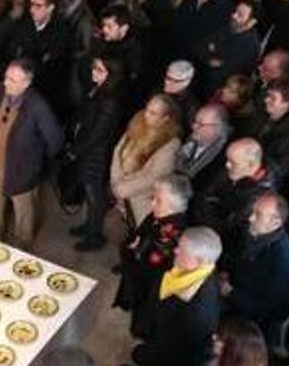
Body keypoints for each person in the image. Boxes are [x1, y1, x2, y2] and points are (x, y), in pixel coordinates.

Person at [133, 226, 222, 366]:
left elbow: (175, 350)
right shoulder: (189, 272)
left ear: (200, 261)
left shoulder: (199, 309)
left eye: (182, 251)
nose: (175, 251)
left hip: (170, 364)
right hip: (158, 344)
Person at [0, 59, 62, 250]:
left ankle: (22, 250)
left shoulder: (38, 106)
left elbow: (55, 141)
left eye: (12, 80)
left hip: (22, 171)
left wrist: (36, 164)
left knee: (24, 214)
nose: (6, 83)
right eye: (6, 77)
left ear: (26, 83)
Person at [114, 174, 191, 339]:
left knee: (143, 317)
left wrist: (133, 251)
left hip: (150, 285)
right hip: (140, 278)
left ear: (173, 205)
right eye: (153, 197)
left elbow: (147, 263)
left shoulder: (173, 233)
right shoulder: (158, 217)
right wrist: (133, 249)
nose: (152, 203)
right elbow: (136, 238)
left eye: (158, 200)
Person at [69, 57, 128, 251]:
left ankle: (94, 236)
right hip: (89, 149)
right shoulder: (98, 90)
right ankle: (88, 227)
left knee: (95, 196)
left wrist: (78, 150)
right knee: (89, 193)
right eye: (94, 68)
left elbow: (98, 132)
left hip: (97, 153)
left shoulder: (111, 100)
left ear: (111, 74)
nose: (94, 72)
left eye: (100, 70)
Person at [221, 193, 289, 335]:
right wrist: (226, 271)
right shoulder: (254, 231)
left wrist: (231, 293)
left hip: (247, 323)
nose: (250, 218)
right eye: (252, 211)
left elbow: (275, 310)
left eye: (258, 215)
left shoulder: (281, 261)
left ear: (275, 222)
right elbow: (233, 254)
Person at [110, 94, 183, 234]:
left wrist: (122, 189)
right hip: (118, 188)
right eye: (147, 109)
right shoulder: (136, 124)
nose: (146, 115)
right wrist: (115, 180)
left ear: (165, 119)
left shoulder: (171, 144)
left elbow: (154, 176)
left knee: (130, 234)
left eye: (153, 113)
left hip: (139, 199)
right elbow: (118, 150)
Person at [7, 0, 72, 126]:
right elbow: (12, 51)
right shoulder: (23, 23)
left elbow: (51, 66)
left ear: (50, 8)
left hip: (43, 92)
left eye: (38, 6)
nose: (32, 10)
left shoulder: (61, 33)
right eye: (31, 4)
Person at [192, 138, 277, 242]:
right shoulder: (236, 169)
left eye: (233, 162)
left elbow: (226, 228)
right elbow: (206, 190)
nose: (227, 165)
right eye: (228, 160)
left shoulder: (259, 198)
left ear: (250, 165)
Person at [195, 0, 260, 98]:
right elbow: (199, 47)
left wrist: (210, 51)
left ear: (252, 22)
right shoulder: (226, 26)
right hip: (199, 82)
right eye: (234, 11)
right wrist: (208, 60)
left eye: (240, 14)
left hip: (215, 94)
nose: (233, 16)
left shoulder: (249, 46)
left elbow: (223, 74)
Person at [168, 0, 232, 62]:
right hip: (175, 48)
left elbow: (216, 38)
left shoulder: (223, 6)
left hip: (195, 57)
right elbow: (179, 16)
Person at [174, 103, 231, 193]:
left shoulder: (224, 158)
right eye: (195, 121)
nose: (194, 127)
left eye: (201, 124)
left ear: (217, 127)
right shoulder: (188, 139)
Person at [160, 60, 199, 127]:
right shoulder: (158, 90)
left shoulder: (190, 105)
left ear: (187, 82)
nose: (170, 83)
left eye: (177, 81)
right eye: (169, 78)